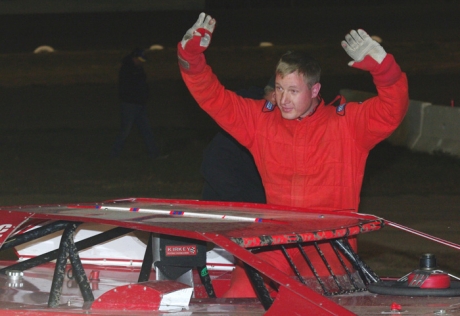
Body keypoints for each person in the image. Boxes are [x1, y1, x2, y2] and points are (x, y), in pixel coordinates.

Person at [177, 13, 409, 297]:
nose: (283, 99)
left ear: (314, 90)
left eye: (293, 91)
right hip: (277, 247)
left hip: (331, 255)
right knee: (240, 297)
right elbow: (212, 97)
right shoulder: (260, 122)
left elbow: (392, 109)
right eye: (279, 89)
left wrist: (384, 69)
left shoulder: (348, 124)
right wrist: (190, 57)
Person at [200, 77, 275, 203]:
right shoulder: (246, 118)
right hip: (229, 210)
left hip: (257, 208)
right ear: (274, 96)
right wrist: (241, 205)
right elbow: (213, 164)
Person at [111, 48, 161, 159]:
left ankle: (154, 154)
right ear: (134, 58)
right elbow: (128, 87)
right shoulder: (128, 69)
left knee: (146, 130)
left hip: (139, 104)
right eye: (139, 59)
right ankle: (114, 155)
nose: (141, 62)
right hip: (130, 104)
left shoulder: (137, 68)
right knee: (125, 131)